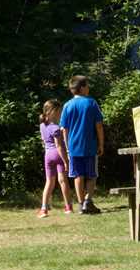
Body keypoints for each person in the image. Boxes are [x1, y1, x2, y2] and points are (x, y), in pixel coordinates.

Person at [59, 74, 104, 215]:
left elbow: (64, 130)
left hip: (73, 147)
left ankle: (80, 204)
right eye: (87, 85)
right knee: (92, 176)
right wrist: (101, 144)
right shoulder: (91, 103)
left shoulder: (67, 105)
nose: (89, 88)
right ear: (83, 88)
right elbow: (99, 126)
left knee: (78, 176)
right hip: (90, 146)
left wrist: (67, 148)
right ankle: (88, 201)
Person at [37, 99, 74, 218]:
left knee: (49, 182)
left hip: (47, 155)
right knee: (63, 181)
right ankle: (68, 207)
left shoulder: (42, 125)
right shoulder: (55, 128)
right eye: (59, 112)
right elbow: (59, 146)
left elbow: (43, 141)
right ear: (52, 112)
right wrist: (66, 161)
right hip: (57, 155)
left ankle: (43, 208)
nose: (60, 114)